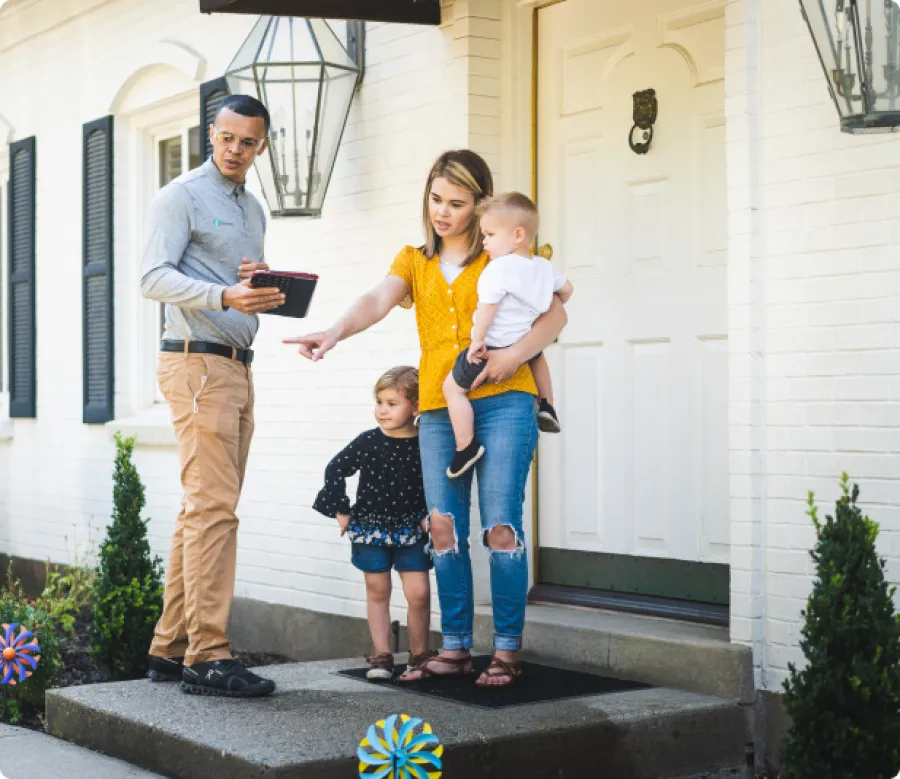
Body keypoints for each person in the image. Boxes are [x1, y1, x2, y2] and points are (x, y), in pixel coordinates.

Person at [284, 149, 569, 688]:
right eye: (436, 200)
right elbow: (377, 299)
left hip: (508, 398)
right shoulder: (414, 261)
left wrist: (511, 357)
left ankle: (506, 650)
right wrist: (333, 333)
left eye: (457, 203)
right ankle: (456, 647)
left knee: (501, 525)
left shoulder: (503, 251)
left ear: (479, 204)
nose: (443, 212)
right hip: (440, 408)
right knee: (441, 526)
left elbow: (557, 312)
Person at [141, 94, 285, 698]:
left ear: (262, 146)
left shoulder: (252, 208)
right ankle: (209, 654)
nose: (234, 149)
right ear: (211, 133)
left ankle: (171, 647)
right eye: (226, 137)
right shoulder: (180, 196)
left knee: (203, 509)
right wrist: (225, 297)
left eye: (247, 142)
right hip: (196, 364)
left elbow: (230, 278)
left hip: (235, 368)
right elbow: (152, 277)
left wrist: (257, 284)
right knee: (213, 510)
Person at [312, 366, 433, 680]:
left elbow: (439, 480)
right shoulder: (368, 442)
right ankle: (382, 656)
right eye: (379, 402)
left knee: (418, 592)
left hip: (411, 530)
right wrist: (340, 509)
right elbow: (335, 469)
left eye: (392, 404)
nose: (382, 410)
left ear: (416, 406)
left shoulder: (427, 444)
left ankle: (420, 656)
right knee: (378, 589)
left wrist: (430, 513)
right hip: (370, 529)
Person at [442, 192, 573, 478]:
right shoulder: (543, 266)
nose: (484, 241)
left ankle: (466, 446)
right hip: (524, 338)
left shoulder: (497, 269)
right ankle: (547, 405)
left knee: (452, 389)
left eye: (489, 234)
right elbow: (567, 291)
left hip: (495, 344)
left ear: (517, 235)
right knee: (537, 356)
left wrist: (477, 340)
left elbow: (487, 309)